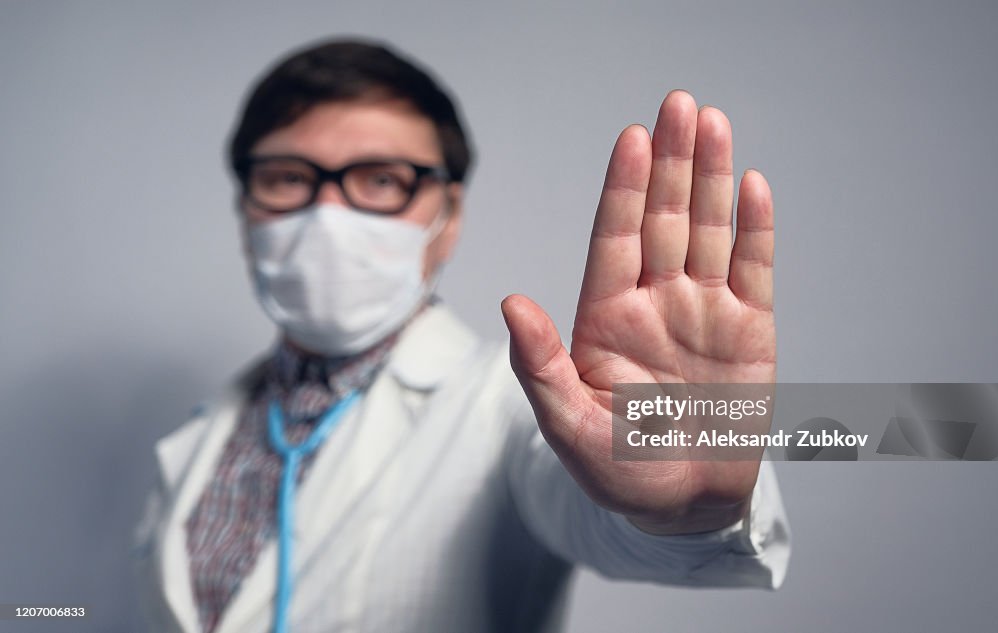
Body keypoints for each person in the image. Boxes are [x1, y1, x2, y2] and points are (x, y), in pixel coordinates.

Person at [132, 38, 791, 633]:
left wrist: (685, 497)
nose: (327, 213)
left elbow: (613, 517)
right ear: (246, 211)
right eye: (286, 178)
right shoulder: (208, 433)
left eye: (382, 180)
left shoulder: (505, 405)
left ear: (447, 219)